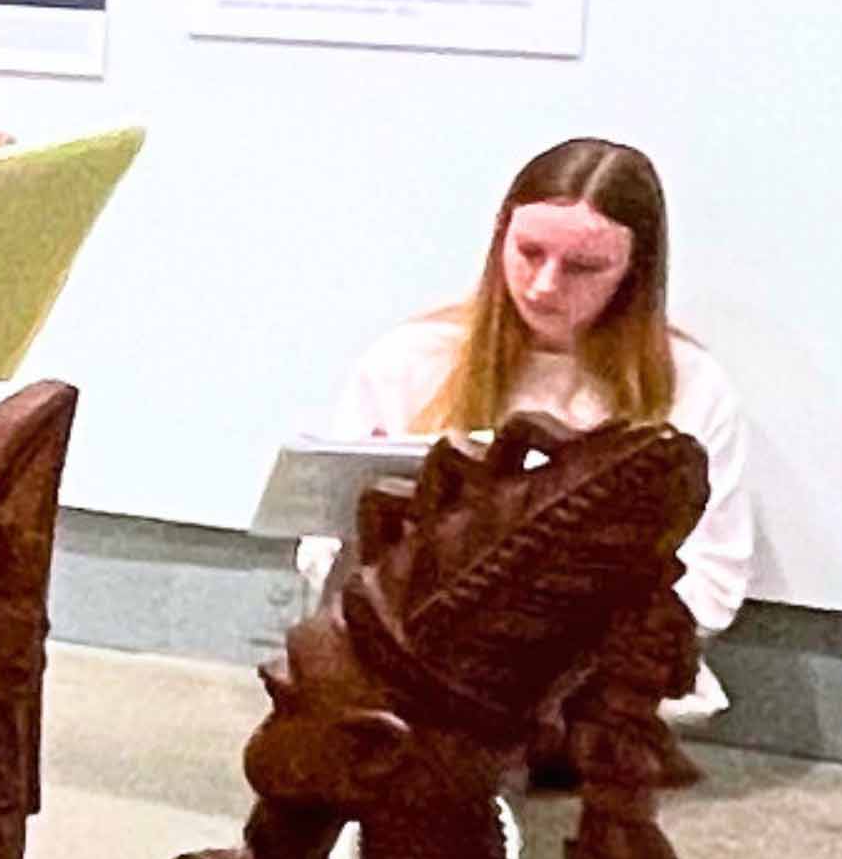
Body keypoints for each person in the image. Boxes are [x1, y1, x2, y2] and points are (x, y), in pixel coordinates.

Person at [316, 141, 754, 715]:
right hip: (420, 643)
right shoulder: (412, 360)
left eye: (582, 267)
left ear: (634, 272)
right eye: (528, 253)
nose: (544, 285)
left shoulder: (691, 384)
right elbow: (326, 539)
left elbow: (712, 574)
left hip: (589, 668)